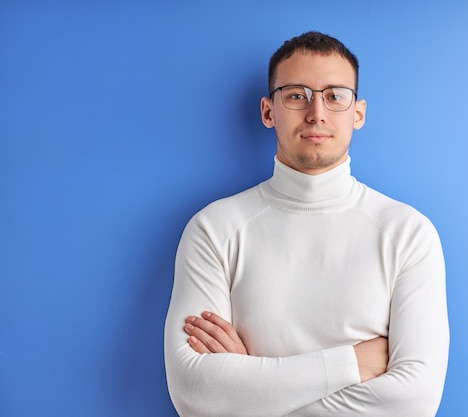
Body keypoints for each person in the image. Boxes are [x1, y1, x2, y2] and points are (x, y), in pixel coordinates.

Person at [164, 31, 449, 417]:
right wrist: (355, 363)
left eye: (335, 95)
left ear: (358, 113)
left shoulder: (408, 233)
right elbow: (196, 393)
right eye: (297, 95)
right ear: (268, 111)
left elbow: (413, 404)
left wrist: (249, 392)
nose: (317, 112)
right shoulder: (214, 229)